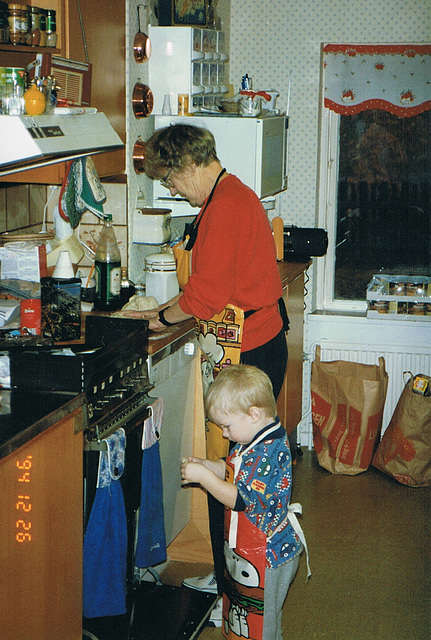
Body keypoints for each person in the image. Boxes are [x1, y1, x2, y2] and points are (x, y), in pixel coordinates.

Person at [121, 123, 288, 622]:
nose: (171, 190)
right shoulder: (229, 196)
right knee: (238, 465)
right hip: (258, 341)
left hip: (250, 351)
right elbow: (209, 290)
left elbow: (206, 296)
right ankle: (230, 577)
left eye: (170, 180)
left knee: (234, 473)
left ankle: (232, 589)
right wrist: (172, 308)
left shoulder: (224, 207)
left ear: (188, 165)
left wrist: (159, 317)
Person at [181, 365, 305, 640]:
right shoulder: (257, 437)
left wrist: (203, 477)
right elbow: (234, 469)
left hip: (269, 555)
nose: (224, 434)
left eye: (227, 426)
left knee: (263, 623)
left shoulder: (266, 454)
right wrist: (209, 466)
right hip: (258, 549)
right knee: (256, 616)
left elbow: (240, 498)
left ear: (254, 414)